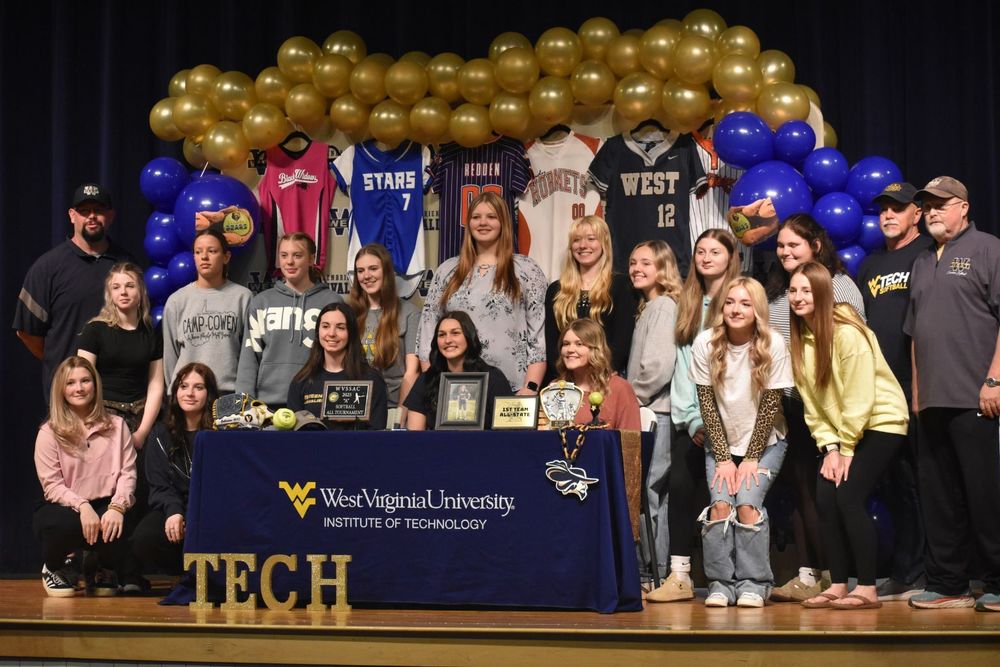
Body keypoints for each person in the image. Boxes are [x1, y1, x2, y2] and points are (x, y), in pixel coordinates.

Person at [903, 176, 1000, 612]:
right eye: (927, 205)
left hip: (977, 397)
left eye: (941, 204)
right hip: (933, 400)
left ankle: (997, 581)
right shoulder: (924, 260)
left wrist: (995, 379)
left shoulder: (988, 249)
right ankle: (948, 584)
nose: (933, 211)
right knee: (939, 497)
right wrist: (917, 393)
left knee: (985, 495)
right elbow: (915, 332)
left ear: (963, 206)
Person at [788, 262, 908, 610]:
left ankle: (867, 589)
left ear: (823, 292)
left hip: (881, 421)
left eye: (806, 290)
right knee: (825, 497)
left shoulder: (846, 332)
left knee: (848, 496)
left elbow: (859, 396)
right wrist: (829, 447)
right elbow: (813, 405)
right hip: (843, 434)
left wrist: (846, 447)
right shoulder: (801, 340)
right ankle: (838, 584)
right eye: (794, 291)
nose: (798, 298)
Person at [765, 214, 866, 603]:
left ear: (816, 246)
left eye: (794, 245)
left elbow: (851, 350)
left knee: (828, 493)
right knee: (802, 491)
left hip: (830, 409)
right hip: (790, 405)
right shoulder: (778, 288)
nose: (785, 251)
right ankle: (811, 574)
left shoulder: (840, 286)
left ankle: (836, 576)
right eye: (781, 245)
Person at [647, 229, 741, 603]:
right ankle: (680, 576)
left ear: (730, 257)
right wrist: (693, 418)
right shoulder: (686, 302)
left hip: (735, 420)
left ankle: (736, 580)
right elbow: (683, 369)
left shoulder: (740, 299)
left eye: (714, 251)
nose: (705, 257)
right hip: (692, 419)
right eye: (700, 250)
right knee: (683, 493)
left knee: (731, 499)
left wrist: (722, 420)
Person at [692, 277, 793, 607]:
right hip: (722, 443)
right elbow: (707, 404)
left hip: (765, 443)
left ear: (757, 310)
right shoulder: (705, 343)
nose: (736, 309)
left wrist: (749, 458)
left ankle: (754, 582)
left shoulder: (773, 344)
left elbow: (770, 407)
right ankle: (721, 583)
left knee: (747, 504)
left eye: (745, 303)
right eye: (730, 302)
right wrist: (723, 458)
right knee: (721, 505)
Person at [854, 182, 931, 601]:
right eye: (883, 209)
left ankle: (925, 572)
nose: (888, 215)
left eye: (897, 209)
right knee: (894, 482)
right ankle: (905, 570)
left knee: (922, 481)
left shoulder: (926, 255)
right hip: (880, 391)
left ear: (916, 213)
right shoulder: (870, 265)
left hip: (917, 384)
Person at [417, 192, 547, 394]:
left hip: (511, 389)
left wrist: (530, 387)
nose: (483, 222)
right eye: (476, 217)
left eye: (491, 217)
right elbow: (427, 334)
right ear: (468, 223)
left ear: (503, 222)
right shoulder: (447, 271)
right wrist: (434, 384)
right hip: (455, 389)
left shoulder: (526, 269)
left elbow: (538, 337)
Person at [14, 183, 134, 400]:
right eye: (84, 211)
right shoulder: (47, 268)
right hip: (68, 395)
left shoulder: (127, 265)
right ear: (72, 215)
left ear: (111, 216)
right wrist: (60, 363)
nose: (92, 217)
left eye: (98, 210)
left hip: (118, 396)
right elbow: (26, 331)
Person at [33, 356, 137, 597]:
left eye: (85, 381)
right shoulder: (48, 432)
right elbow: (52, 485)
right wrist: (82, 506)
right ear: (61, 389)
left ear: (95, 385)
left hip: (106, 504)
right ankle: (56, 567)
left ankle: (102, 566)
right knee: (60, 524)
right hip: (66, 506)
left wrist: (117, 507)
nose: (78, 388)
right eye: (70, 383)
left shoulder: (118, 425)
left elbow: (127, 474)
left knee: (121, 524)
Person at [626, 240, 682, 583]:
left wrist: (632, 398)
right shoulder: (648, 306)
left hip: (655, 412)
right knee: (647, 493)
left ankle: (656, 573)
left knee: (650, 493)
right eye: (633, 263)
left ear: (663, 268)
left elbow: (659, 366)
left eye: (645, 263)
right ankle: (650, 571)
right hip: (647, 411)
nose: (636, 269)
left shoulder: (662, 306)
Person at [235, 232, 341, 408]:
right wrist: (244, 404)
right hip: (268, 404)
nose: (289, 262)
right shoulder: (261, 302)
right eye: (284, 255)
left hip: (317, 401)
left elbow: (341, 357)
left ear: (311, 259)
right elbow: (249, 357)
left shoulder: (331, 302)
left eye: (297, 255)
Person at [132, 363, 219, 576]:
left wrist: (192, 516)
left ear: (209, 394)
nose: (189, 393)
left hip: (210, 509)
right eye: (183, 386)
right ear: (175, 392)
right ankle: (183, 574)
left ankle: (204, 577)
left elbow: (222, 486)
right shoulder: (160, 434)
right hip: (174, 505)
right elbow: (160, 486)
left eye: (198, 387)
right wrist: (175, 512)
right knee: (143, 539)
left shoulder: (220, 434)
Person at [77, 263, 163, 449]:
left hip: (140, 416)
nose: (123, 292)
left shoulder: (150, 333)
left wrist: (141, 433)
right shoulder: (94, 330)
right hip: (102, 416)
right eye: (116, 287)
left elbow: (156, 386)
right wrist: (94, 423)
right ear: (110, 295)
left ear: (141, 292)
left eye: (130, 286)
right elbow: (81, 382)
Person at [543, 215, 637, 383]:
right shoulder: (556, 290)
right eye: (577, 240)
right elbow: (551, 344)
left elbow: (622, 341)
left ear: (604, 244)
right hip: (564, 382)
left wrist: (598, 376)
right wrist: (565, 378)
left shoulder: (621, 286)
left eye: (591, 239)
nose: (583, 245)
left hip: (605, 381)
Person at [162, 228, 252, 394]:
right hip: (189, 394)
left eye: (212, 251)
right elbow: (170, 356)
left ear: (226, 257)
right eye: (198, 252)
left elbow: (249, 354)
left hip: (228, 392)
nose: (204, 257)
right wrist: (175, 391)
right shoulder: (177, 301)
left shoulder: (243, 297)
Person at [349, 243, 421, 425]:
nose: (366, 276)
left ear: (387, 271)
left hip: (394, 407)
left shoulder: (409, 312)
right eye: (360, 271)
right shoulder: (348, 313)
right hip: (356, 408)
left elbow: (411, 372)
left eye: (373, 269)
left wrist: (400, 414)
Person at [287, 302, 388, 430]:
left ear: (351, 333)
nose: (331, 333)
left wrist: (355, 417)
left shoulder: (371, 379)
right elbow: (292, 435)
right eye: (325, 326)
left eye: (340, 327)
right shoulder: (301, 380)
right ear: (318, 332)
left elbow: (378, 434)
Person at [405, 311, 511, 431]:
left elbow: (506, 435)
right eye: (442, 335)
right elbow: (415, 436)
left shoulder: (494, 379)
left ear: (469, 337)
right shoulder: (426, 379)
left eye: (455, 333)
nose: (447, 340)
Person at [549, 318, 640, 430]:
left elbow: (631, 441)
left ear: (596, 350)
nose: (570, 349)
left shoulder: (620, 388)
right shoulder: (556, 388)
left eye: (579, 344)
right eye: (566, 344)